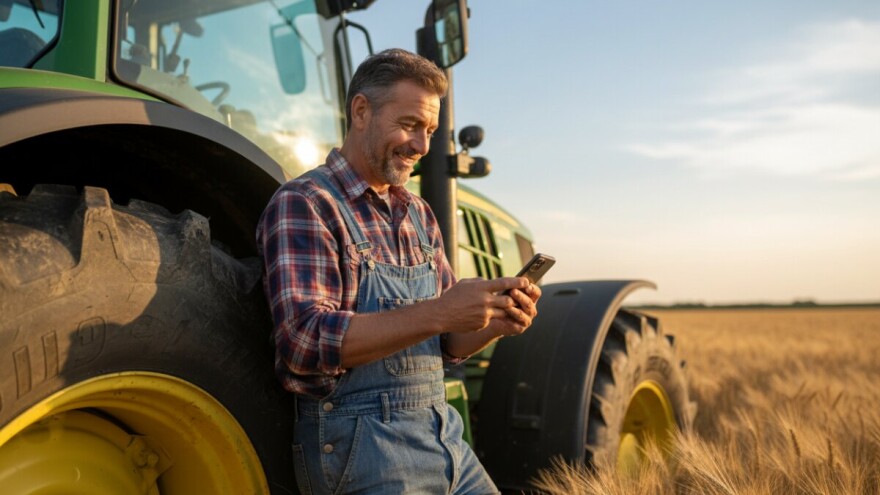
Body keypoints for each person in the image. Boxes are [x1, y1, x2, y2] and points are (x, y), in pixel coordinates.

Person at [256, 48, 541, 495]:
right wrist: (442, 312)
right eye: (410, 125)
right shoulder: (307, 203)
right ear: (362, 111)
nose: (422, 146)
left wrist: (493, 323)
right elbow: (303, 343)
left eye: (429, 130)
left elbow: (445, 345)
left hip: (444, 440)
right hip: (362, 451)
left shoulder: (419, 213)